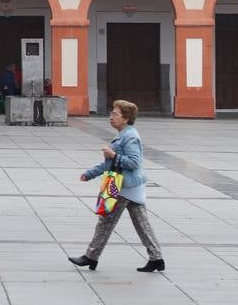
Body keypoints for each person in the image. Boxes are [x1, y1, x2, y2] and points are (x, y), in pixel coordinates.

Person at [68, 99, 165, 273]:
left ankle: (91, 257)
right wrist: (90, 173)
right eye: (112, 113)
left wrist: (113, 155)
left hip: (122, 186)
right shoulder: (124, 134)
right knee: (142, 225)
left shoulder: (130, 136)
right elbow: (109, 163)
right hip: (129, 185)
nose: (111, 116)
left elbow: (134, 162)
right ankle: (157, 258)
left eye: (115, 113)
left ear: (126, 118)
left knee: (105, 221)